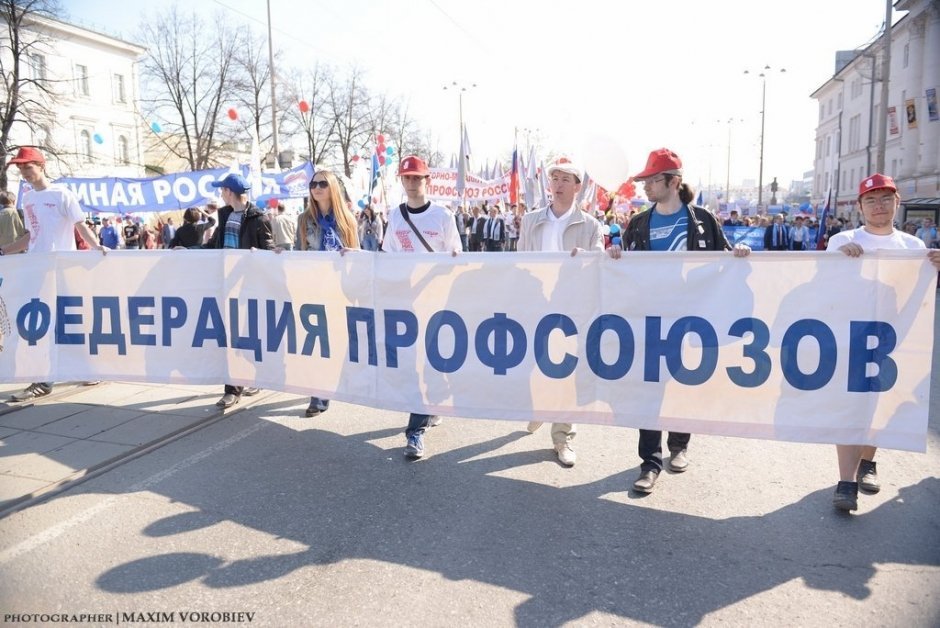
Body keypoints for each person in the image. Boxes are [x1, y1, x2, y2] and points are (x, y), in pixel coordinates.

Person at [608, 148, 750, 493]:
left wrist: (738, 256)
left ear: (672, 182)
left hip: (692, 320)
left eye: (651, 180)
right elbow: (625, 268)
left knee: (685, 385)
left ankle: (679, 445)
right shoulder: (639, 223)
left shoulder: (701, 219)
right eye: (643, 180)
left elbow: (724, 259)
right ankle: (650, 462)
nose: (644, 187)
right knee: (650, 390)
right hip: (651, 320)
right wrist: (614, 255)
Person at [827, 173, 940, 512]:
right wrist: (838, 261)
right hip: (852, 338)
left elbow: (919, 295)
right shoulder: (842, 240)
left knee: (880, 406)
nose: (879, 205)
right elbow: (823, 287)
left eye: (885, 198)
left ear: (897, 203)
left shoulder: (914, 247)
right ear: (860, 206)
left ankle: (868, 462)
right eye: (871, 199)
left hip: (894, 341)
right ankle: (846, 481)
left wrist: (935, 268)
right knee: (850, 408)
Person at [2, 147, 108, 401]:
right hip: (36, 269)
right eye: (21, 169)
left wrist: (96, 247)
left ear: (42, 166)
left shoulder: (62, 194)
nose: (25, 173)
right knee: (41, 323)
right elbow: (30, 236)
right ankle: (43, 378)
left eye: (28, 167)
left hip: (62, 268)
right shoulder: (27, 199)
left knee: (69, 322)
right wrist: (4, 250)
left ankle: (84, 368)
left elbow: (80, 225)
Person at [519, 159, 604, 467]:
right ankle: (541, 407)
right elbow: (521, 262)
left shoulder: (590, 225)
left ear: (577, 186)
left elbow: (600, 262)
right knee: (536, 364)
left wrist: (590, 258)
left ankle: (562, 436)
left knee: (567, 370)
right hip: (538, 303)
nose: (557, 183)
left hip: (572, 305)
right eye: (554, 177)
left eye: (565, 179)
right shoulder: (531, 221)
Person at [381, 155, 462, 459]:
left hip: (435, 300)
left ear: (427, 181)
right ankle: (429, 407)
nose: (412, 183)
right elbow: (387, 255)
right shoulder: (395, 215)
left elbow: (456, 253)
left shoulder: (442, 216)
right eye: (407, 178)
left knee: (429, 362)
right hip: (406, 301)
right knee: (415, 364)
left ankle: (415, 430)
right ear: (401, 181)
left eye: (417, 178)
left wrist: (450, 260)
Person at [290, 171, 360, 417]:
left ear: (332, 188)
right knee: (315, 343)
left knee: (337, 342)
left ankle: (334, 384)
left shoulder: (347, 220)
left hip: (339, 289)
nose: (316, 188)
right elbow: (298, 252)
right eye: (313, 184)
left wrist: (350, 255)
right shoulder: (303, 220)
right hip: (312, 288)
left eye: (321, 183)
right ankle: (318, 395)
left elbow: (357, 255)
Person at [203, 172, 273, 409]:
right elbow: (214, 246)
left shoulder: (258, 218)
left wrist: (262, 256)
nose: (220, 194)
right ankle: (232, 389)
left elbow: (269, 251)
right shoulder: (224, 215)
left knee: (250, 334)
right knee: (229, 335)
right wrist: (187, 251)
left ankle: (256, 375)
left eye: (221, 190)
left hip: (249, 285)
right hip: (226, 283)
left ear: (229, 192)